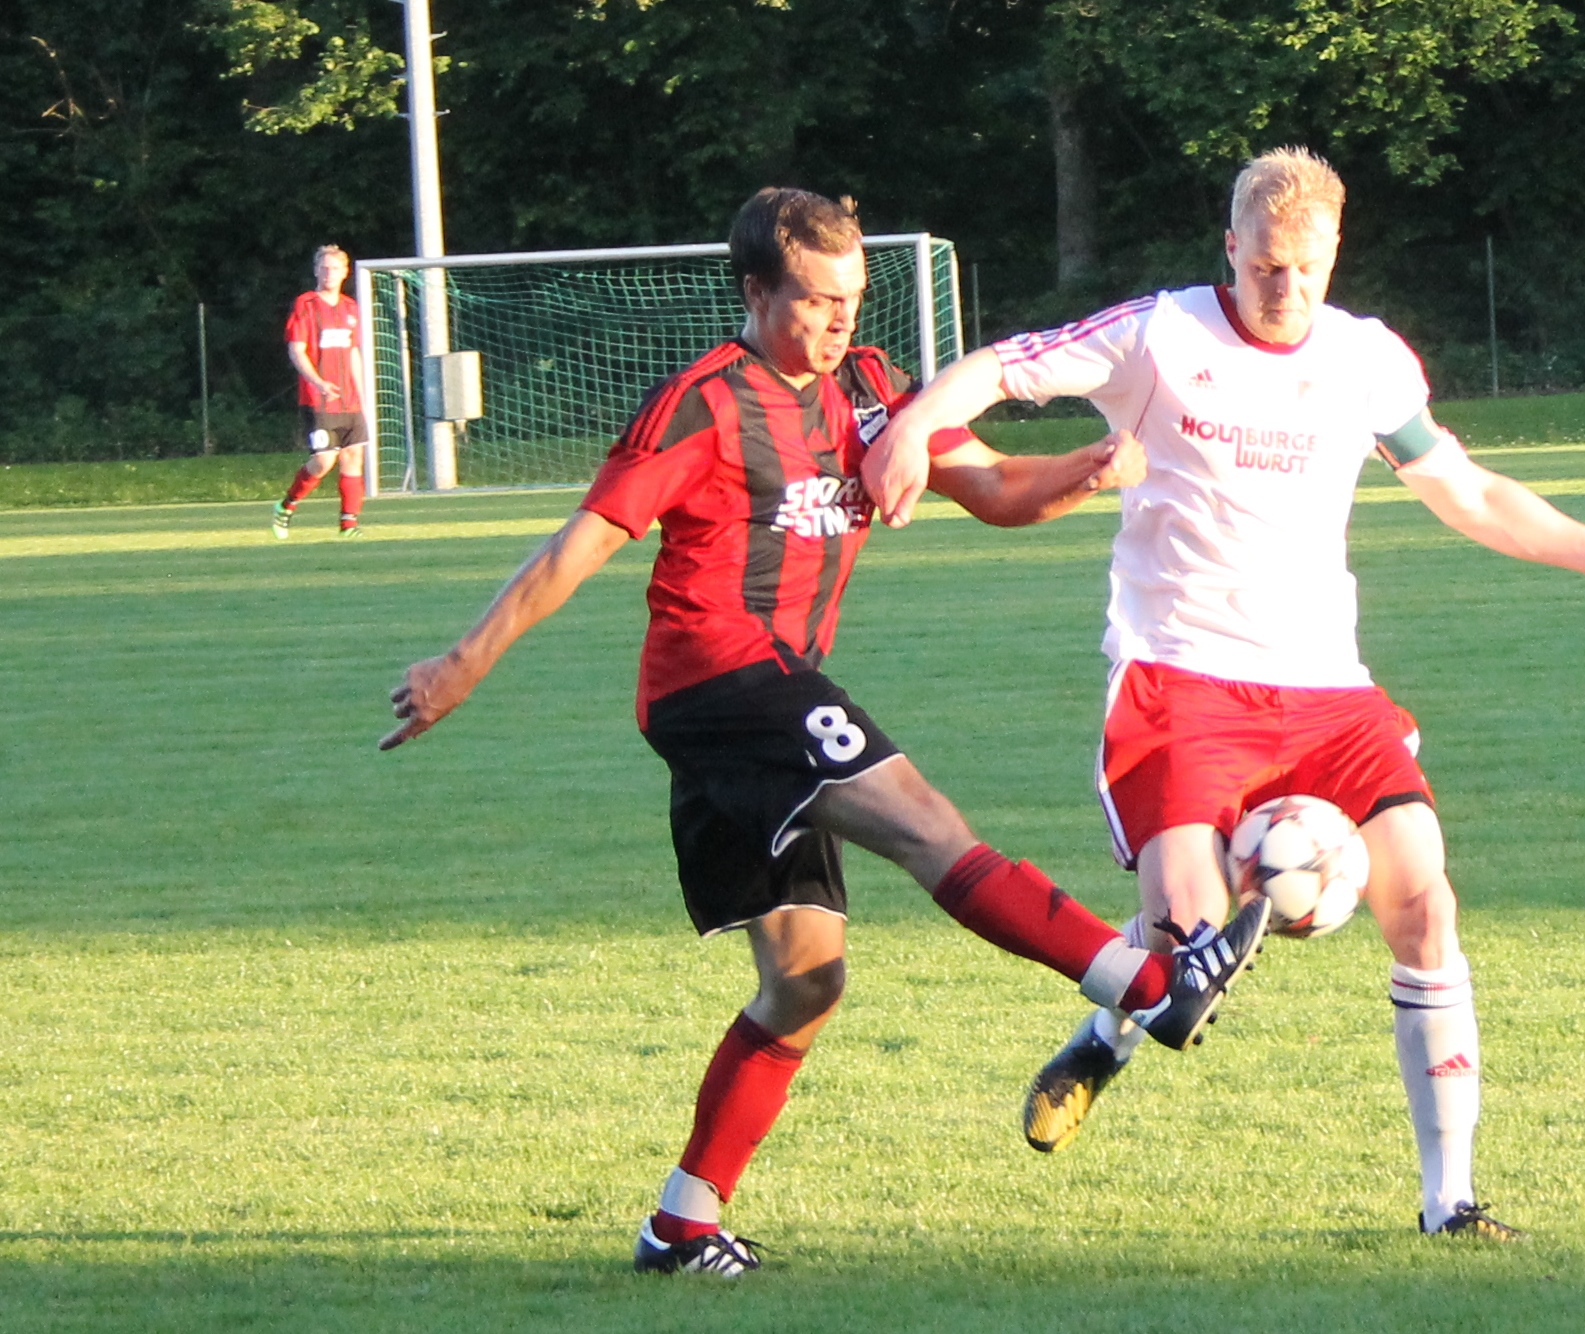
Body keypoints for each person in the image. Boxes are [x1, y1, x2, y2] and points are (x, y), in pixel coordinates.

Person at [379, 188, 1272, 1277]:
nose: (840, 319)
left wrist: (1086, 470)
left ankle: (679, 1223)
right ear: (755, 292)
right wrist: (462, 662)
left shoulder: (869, 386)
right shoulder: (704, 402)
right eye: (815, 299)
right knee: (924, 823)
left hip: (763, 698)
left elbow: (987, 485)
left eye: (852, 296)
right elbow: (583, 541)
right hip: (717, 680)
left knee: (806, 976)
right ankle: (1146, 982)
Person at [865, 148, 1585, 1241]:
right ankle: (1107, 1035)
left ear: (1333, 255)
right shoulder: (1159, 335)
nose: (1285, 290)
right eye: (1266, 266)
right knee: (1186, 945)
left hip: (1327, 687)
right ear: (1229, 249)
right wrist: (907, 427)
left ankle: (1449, 1202)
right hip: (1180, 679)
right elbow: (996, 366)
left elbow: (1465, 490)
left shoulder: (1365, 359)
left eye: (1307, 269)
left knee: (1423, 898)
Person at [273, 244, 369, 538]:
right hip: (318, 399)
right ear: (316, 270)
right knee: (324, 461)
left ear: (345, 273)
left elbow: (353, 353)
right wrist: (318, 382)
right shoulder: (307, 304)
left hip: (349, 400)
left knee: (353, 456)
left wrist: (362, 397)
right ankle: (286, 505)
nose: (329, 273)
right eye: (324, 268)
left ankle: (348, 526)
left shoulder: (351, 309)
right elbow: (296, 350)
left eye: (335, 268)